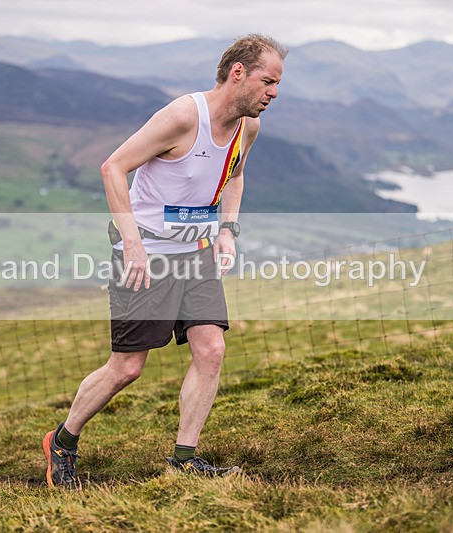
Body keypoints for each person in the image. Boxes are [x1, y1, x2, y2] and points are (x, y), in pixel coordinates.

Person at [43, 34, 287, 489]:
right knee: (127, 368)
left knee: (211, 350)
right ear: (239, 73)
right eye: (268, 81)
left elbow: (234, 171)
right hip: (146, 257)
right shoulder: (181, 117)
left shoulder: (247, 126)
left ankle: (184, 459)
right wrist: (132, 243)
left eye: (277, 84)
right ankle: (62, 441)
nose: (274, 93)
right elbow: (112, 167)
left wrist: (228, 231)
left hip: (196, 256)